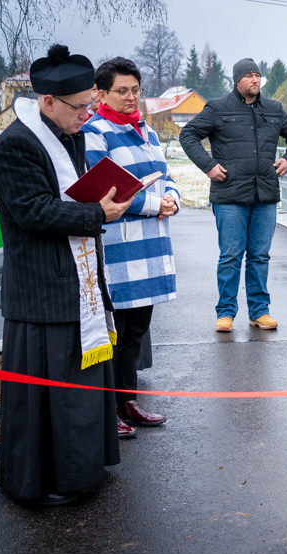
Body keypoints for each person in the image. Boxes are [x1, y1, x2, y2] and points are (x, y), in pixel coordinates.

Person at [0, 44, 133, 505]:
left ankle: (81, 470)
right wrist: (98, 213)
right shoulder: (14, 145)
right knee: (44, 402)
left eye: (91, 103)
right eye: (81, 107)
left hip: (78, 286)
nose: (88, 115)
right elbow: (32, 212)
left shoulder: (68, 133)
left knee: (81, 395)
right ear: (48, 102)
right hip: (41, 292)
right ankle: (37, 482)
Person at [82, 57, 179, 437]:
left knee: (137, 330)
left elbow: (164, 174)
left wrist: (171, 196)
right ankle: (109, 409)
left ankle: (129, 400)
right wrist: (157, 204)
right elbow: (104, 191)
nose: (130, 97)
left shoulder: (146, 130)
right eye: (122, 90)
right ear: (101, 93)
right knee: (116, 331)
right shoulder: (95, 132)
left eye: (135, 90)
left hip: (151, 247)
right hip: (119, 251)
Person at [180, 58, 287, 332]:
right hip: (230, 195)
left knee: (260, 255)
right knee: (231, 256)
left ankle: (259, 312)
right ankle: (225, 312)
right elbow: (188, 135)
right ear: (237, 80)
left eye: (258, 76)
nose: (255, 80)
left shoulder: (273, 109)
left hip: (265, 194)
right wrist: (208, 166)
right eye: (249, 76)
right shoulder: (218, 108)